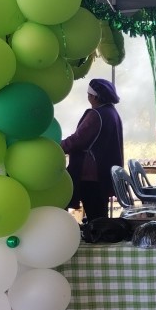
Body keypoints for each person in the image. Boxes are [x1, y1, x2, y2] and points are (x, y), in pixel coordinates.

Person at [61, 78, 124, 223]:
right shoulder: (112, 113)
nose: (88, 98)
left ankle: (98, 239)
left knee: (96, 216)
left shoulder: (96, 115)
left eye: (89, 95)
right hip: (104, 171)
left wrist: (56, 147)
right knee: (100, 213)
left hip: (90, 174)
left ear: (94, 96)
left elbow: (77, 140)